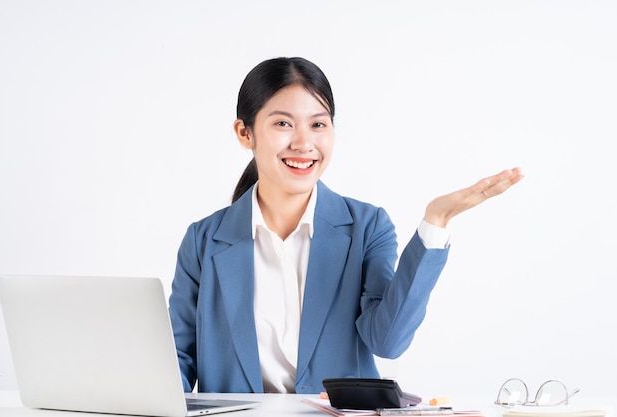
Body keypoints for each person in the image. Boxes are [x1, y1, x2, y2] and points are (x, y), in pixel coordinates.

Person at [168, 57, 524, 395]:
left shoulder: (367, 227)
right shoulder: (204, 240)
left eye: (318, 124)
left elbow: (387, 341)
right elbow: (177, 361)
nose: (304, 143)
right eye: (282, 124)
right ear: (245, 134)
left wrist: (436, 221)